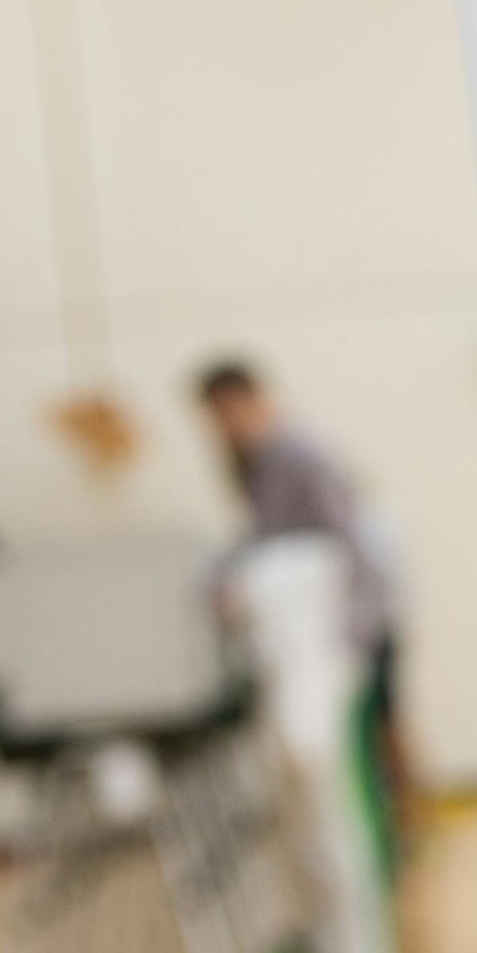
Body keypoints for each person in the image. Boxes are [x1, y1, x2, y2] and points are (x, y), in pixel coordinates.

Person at [196, 358, 407, 880]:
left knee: (365, 757)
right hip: (326, 633)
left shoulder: (298, 457)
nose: (223, 426)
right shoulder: (258, 463)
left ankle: (393, 863)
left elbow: (348, 543)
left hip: (346, 631)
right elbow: (261, 540)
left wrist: (351, 635)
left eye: (227, 411)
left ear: (252, 400)